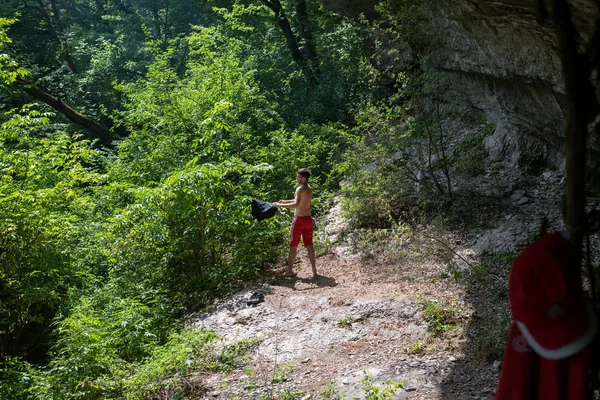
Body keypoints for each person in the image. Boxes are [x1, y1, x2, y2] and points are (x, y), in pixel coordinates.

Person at [273, 168, 317, 277]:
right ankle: (314, 270)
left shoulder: (299, 189)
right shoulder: (309, 189)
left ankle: (289, 271)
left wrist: (279, 205)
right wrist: (285, 201)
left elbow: (296, 204)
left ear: (303, 178)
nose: (296, 178)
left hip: (299, 220)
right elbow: (299, 201)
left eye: (298, 176)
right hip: (308, 219)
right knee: (309, 244)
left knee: (293, 245)